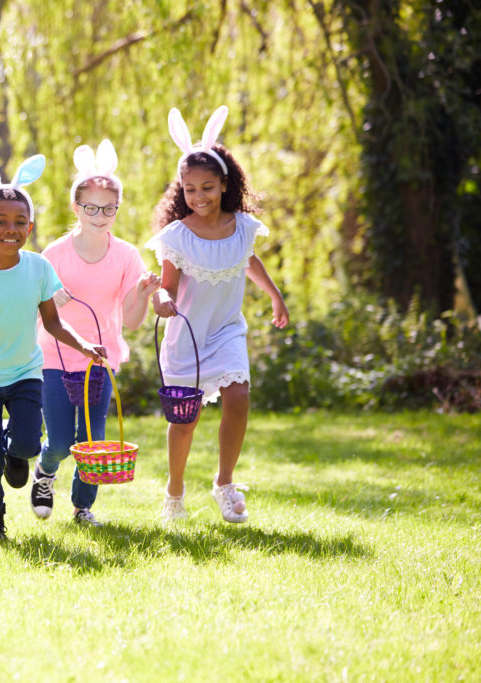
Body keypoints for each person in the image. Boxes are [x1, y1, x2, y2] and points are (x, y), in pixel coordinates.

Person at [0, 149, 106, 539]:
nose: (10, 229)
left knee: (28, 444)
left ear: (29, 228)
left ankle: (16, 452)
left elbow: (52, 322)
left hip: (25, 375)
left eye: (19, 222)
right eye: (0, 221)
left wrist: (84, 345)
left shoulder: (38, 268)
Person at [147, 106, 289, 523]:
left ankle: (224, 483)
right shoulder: (176, 236)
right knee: (185, 421)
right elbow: (167, 286)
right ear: (181, 190)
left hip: (226, 331)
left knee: (239, 396)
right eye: (190, 189)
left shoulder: (243, 226)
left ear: (225, 184)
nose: (200, 196)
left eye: (208, 187)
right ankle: (175, 491)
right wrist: (160, 300)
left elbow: (249, 261)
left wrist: (275, 296)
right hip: (187, 338)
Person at [31, 140, 160, 526]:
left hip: (101, 360)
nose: (99, 215)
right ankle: (46, 470)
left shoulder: (126, 256)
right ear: (76, 207)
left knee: (93, 441)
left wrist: (141, 292)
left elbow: (133, 320)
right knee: (59, 441)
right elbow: (34, 301)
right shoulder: (53, 254)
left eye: (108, 209)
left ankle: (82, 508)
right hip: (56, 355)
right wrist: (49, 295)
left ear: (117, 209)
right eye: (91, 208)